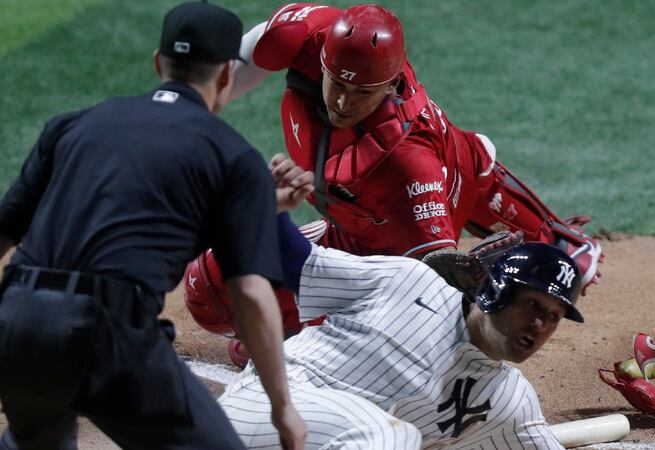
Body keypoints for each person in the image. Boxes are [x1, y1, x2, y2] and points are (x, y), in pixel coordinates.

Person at [193, 3, 604, 366]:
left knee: (405, 335)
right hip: (357, 224)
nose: (342, 103)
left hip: (408, 228)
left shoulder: (408, 163)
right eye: (337, 83)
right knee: (208, 288)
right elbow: (241, 63)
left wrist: (472, 290)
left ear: (390, 87)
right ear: (323, 59)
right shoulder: (313, 35)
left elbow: (435, 277)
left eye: (362, 93)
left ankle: (561, 246)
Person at [0, 2, 308, 448]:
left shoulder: (71, 125)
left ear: (159, 63)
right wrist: (283, 409)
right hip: (110, 336)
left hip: (19, 323)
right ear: (226, 75)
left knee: (34, 441)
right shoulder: (231, 154)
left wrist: (259, 208)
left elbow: (6, 231)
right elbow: (251, 292)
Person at [218, 211, 582, 449]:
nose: (540, 325)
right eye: (533, 305)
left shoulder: (510, 401)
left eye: (553, 316)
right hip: (263, 408)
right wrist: (267, 202)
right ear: (495, 289)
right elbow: (299, 263)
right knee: (391, 436)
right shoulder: (408, 281)